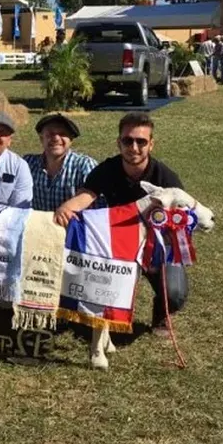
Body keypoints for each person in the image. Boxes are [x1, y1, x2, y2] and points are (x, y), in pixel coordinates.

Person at [56, 112, 187, 335]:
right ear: (119, 143)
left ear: (151, 144)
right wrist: (66, 208)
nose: (134, 147)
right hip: (119, 244)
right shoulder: (107, 169)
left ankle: (162, 311)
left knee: (175, 294)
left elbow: (179, 223)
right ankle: (97, 312)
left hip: (157, 244)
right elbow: (87, 195)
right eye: (128, 141)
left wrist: (154, 252)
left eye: (141, 141)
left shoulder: (167, 178)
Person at [23, 113, 97, 220]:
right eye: (50, 134)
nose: (56, 138)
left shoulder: (84, 165)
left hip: (73, 228)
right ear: (41, 138)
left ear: (71, 139)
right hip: (37, 227)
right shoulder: (28, 163)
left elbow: (98, 206)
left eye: (62, 134)